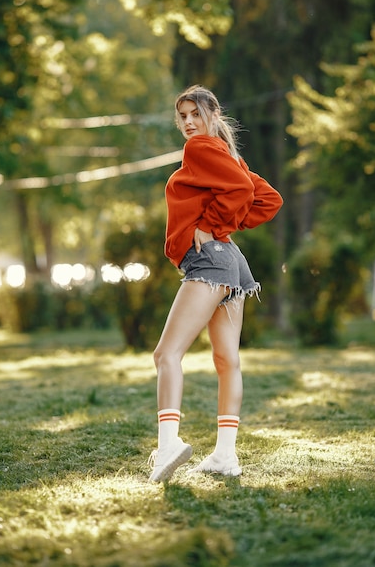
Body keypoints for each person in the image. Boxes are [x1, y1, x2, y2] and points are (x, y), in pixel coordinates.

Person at [148, 85, 283, 482]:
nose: (188, 123)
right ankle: (225, 457)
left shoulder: (200, 150)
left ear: (212, 114)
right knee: (227, 361)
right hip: (232, 263)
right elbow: (267, 198)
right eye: (183, 116)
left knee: (166, 355)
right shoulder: (227, 155)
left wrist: (210, 226)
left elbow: (248, 194)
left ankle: (168, 445)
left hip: (211, 261)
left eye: (195, 114)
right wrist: (224, 227)